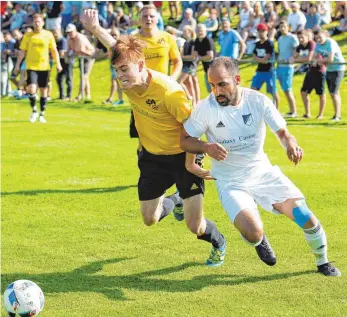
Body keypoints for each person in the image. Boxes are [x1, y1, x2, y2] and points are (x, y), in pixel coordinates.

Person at [80, 9, 227, 267]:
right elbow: (117, 47)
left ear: (141, 65)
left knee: (195, 226)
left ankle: (219, 242)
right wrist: (94, 28)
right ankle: (175, 200)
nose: (120, 75)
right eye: (116, 70)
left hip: (184, 156)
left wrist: (192, 163)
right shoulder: (129, 79)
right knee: (149, 218)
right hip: (152, 157)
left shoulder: (169, 92)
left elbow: (194, 129)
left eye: (125, 69)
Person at [180, 56, 341, 277]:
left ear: (237, 79)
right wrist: (206, 147)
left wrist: (291, 145)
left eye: (222, 84)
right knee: (253, 233)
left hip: (263, 173)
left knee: (304, 215)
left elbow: (283, 132)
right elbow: (185, 140)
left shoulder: (258, 101)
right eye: (212, 85)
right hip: (230, 181)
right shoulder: (205, 108)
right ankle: (259, 240)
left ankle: (323, 262)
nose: (217, 91)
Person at [13, 14, 62, 123]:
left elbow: (54, 51)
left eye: (39, 21)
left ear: (43, 23)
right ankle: (34, 110)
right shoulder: (28, 36)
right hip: (31, 66)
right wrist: (17, 65)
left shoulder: (48, 35)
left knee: (43, 91)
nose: (37, 23)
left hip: (44, 67)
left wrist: (58, 63)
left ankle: (42, 114)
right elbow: (22, 51)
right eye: (35, 22)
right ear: (33, 23)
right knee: (31, 88)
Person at [291, 30, 326, 119]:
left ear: (307, 37)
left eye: (302, 37)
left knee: (321, 94)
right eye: (299, 38)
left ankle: (320, 115)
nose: (301, 39)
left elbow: (309, 58)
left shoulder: (311, 44)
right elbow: (293, 57)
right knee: (303, 92)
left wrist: (297, 59)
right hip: (310, 71)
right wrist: (297, 58)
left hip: (319, 71)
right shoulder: (300, 46)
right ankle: (308, 113)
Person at [313, 30, 345, 121]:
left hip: (338, 68)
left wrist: (318, 61)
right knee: (334, 92)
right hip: (329, 69)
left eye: (320, 37)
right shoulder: (318, 44)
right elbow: (315, 56)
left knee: (333, 92)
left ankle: (337, 116)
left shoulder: (330, 42)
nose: (318, 39)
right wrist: (316, 60)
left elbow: (330, 59)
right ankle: (337, 115)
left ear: (325, 36)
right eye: (316, 38)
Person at [251, 23, 279, 107]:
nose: (260, 33)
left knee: (273, 92)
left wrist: (259, 59)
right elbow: (254, 55)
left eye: (262, 31)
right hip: (260, 70)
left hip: (269, 71)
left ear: (266, 31)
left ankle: (276, 110)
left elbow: (266, 58)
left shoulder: (269, 43)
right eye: (259, 31)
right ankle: (258, 107)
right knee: (253, 90)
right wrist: (260, 60)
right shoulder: (257, 44)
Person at [66, 23, 95, 101]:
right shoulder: (69, 39)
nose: (69, 34)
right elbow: (69, 49)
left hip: (89, 57)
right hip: (81, 58)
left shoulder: (80, 38)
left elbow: (80, 51)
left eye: (70, 32)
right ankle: (88, 95)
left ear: (75, 31)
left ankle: (79, 95)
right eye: (68, 32)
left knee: (84, 77)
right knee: (85, 77)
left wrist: (72, 54)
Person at [277, 21, 299, 117]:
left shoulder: (292, 38)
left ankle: (294, 111)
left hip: (288, 67)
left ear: (288, 27)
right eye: (281, 27)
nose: (282, 28)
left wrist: (291, 59)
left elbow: (297, 50)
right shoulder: (280, 38)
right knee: (284, 90)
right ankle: (291, 111)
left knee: (288, 89)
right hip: (280, 66)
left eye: (284, 26)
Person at [193, 24, 214, 93]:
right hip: (206, 68)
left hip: (214, 68)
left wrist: (200, 58)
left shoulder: (208, 40)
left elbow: (210, 56)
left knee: (214, 89)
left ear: (205, 31)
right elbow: (195, 56)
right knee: (210, 90)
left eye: (201, 31)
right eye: (198, 31)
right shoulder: (197, 41)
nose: (200, 32)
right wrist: (194, 68)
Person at [52, 28, 73, 101]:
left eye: (56, 32)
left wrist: (54, 53)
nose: (55, 34)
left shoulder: (63, 41)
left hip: (67, 62)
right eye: (54, 33)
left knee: (68, 79)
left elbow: (62, 53)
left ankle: (69, 96)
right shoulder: (55, 41)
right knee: (59, 79)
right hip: (61, 62)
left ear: (60, 32)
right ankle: (62, 96)